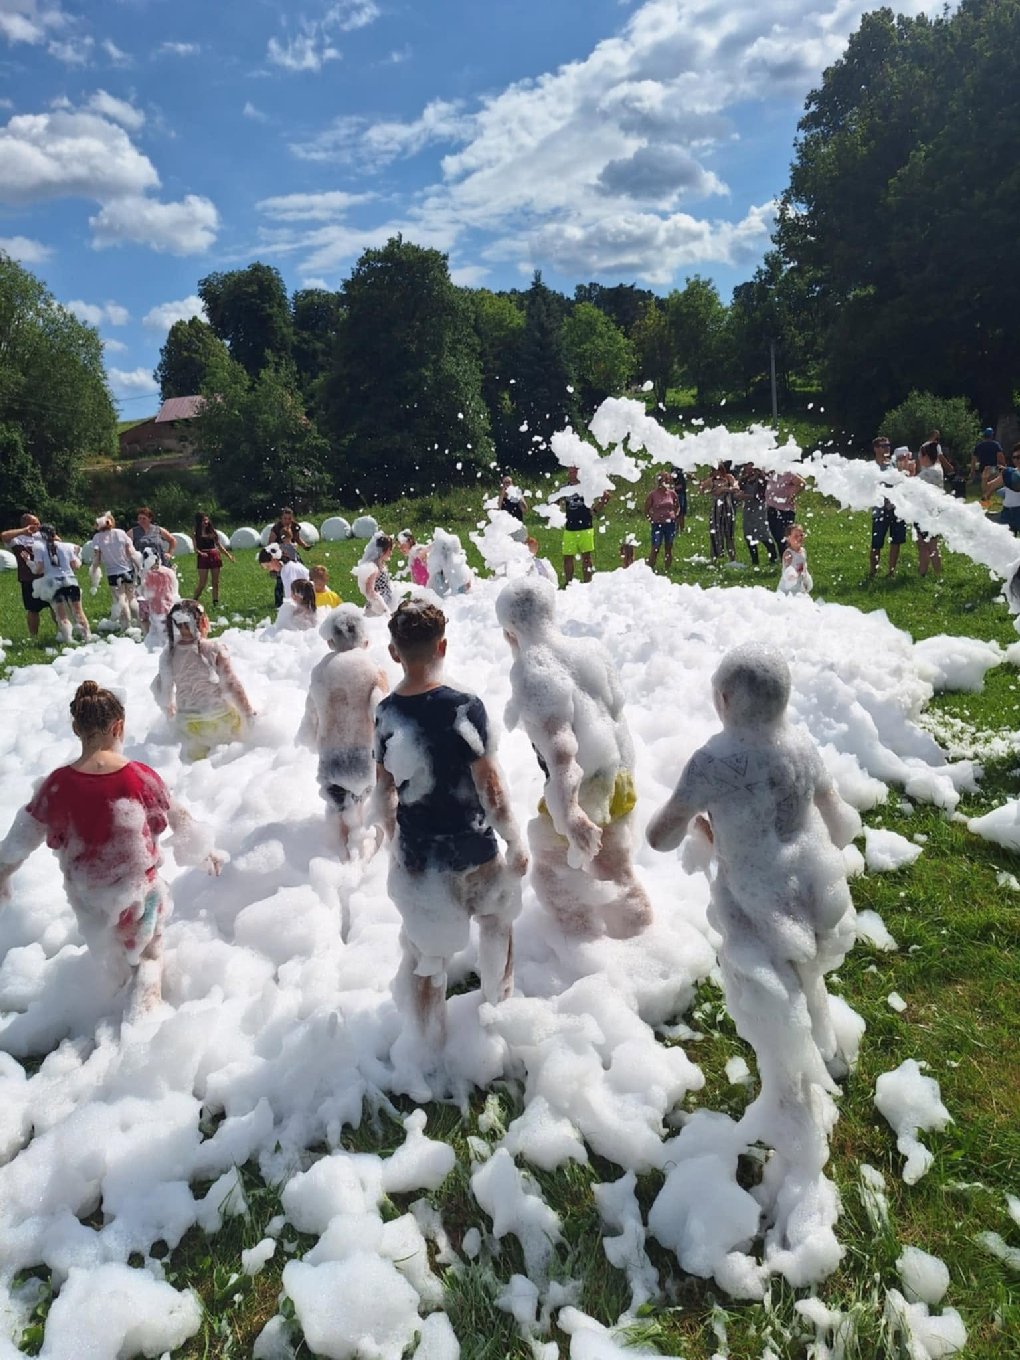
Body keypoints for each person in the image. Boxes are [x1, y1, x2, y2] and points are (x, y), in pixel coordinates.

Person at [646, 645, 861, 1251]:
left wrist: (702, 823)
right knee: (807, 981)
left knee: (775, 1019)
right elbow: (840, 826)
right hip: (811, 896)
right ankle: (828, 1059)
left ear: (725, 699)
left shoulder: (712, 761)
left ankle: (798, 1143)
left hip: (754, 910)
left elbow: (659, 837)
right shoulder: (802, 747)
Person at [0, 681, 222, 1021]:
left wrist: (4, 872)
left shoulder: (56, 784)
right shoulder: (139, 777)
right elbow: (180, 819)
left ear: (76, 728)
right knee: (149, 957)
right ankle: (141, 1028)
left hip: (88, 897)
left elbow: (23, 835)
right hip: (137, 894)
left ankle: (117, 989)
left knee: (115, 946)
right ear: (118, 727)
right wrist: (204, 852)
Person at [371, 600, 527, 1050]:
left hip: (421, 858)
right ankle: (499, 1012)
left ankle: (427, 1048)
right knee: (497, 921)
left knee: (428, 956)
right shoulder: (464, 707)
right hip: (474, 848)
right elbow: (491, 788)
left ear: (394, 652)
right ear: (442, 646)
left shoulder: (387, 713)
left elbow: (384, 791)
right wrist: (514, 840)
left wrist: (396, 844)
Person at [496, 576, 652, 940]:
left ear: (510, 628)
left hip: (582, 793)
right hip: (617, 778)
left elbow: (561, 747)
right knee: (615, 868)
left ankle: (581, 947)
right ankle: (642, 939)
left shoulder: (533, 671)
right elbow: (613, 717)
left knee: (552, 876)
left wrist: (571, 813)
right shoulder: (590, 650)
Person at [298, 605, 390, 861]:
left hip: (330, 757)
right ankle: (360, 854)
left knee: (338, 807)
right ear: (366, 641)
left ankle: (338, 856)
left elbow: (311, 713)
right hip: (362, 756)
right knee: (358, 807)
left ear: (329, 642)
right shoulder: (372, 670)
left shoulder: (320, 671)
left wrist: (309, 738)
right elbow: (381, 713)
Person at [152, 600, 256, 761]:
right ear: (203, 622)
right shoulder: (213, 649)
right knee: (229, 760)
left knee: (197, 764)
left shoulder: (169, 654)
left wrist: (172, 719)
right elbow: (231, 684)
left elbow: (164, 695)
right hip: (221, 719)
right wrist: (249, 714)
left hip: (189, 724)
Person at [32, 524, 90, 644]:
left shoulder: (38, 547)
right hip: (71, 581)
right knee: (78, 612)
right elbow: (75, 565)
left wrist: (28, 562)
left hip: (53, 584)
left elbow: (39, 569)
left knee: (61, 615)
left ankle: (68, 640)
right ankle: (87, 637)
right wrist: (76, 555)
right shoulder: (66, 546)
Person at [555, 465, 608, 585]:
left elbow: (606, 496)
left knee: (586, 557)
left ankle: (587, 582)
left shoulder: (587, 486)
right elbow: (555, 500)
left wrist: (594, 511)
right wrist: (555, 513)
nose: (571, 475)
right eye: (570, 472)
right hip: (570, 527)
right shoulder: (565, 487)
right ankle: (568, 583)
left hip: (585, 527)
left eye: (574, 472)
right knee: (567, 557)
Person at [1, 513, 50, 638]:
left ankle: (61, 632)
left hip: (47, 576)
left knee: (55, 605)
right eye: (36, 523)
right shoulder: (17, 539)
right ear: (27, 524)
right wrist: (24, 531)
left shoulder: (42, 537)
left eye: (39, 523)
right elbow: (4, 536)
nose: (39, 526)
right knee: (33, 609)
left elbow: (58, 541)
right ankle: (33, 636)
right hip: (28, 578)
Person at [90, 511, 141, 630]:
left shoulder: (97, 538)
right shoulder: (121, 533)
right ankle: (140, 622)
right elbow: (131, 553)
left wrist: (93, 572)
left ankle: (126, 626)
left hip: (113, 573)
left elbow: (97, 558)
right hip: (128, 570)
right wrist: (139, 568)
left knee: (120, 600)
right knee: (132, 598)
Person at [869, 437, 907, 577]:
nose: (887, 448)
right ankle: (873, 571)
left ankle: (891, 571)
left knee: (896, 541)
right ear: (876, 449)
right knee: (876, 543)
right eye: (883, 446)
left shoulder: (894, 464)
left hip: (896, 509)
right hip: (879, 510)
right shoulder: (871, 468)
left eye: (888, 445)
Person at [267, 508, 310, 607]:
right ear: (281, 518)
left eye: (289, 518)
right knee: (281, 578)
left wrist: (305, 546)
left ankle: (303, 596)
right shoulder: (276, 528)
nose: (287, 521)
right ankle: (279, 602)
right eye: (285, 518)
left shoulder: (294, 526)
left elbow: (297, 538)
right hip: (280, 555)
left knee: (301, 574)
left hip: (292, 554)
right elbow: (270, 544)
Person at [914, 443, 945, 576]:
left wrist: (907, 471)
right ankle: (925, 572)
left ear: (925, 456)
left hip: (926, 515)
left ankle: (934, 573)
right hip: (932, 513)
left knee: (928, 545)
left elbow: (910, 487)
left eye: (920, 454)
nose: (918, 457)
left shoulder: (928, 473)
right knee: (925, 544)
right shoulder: (937, 469)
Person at [737, 464, 777, 567]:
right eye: (747, 466)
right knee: (748, 533)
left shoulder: (762, 480)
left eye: (750, 466)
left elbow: (760, 496)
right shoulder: (744, 479)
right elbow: (738, 489)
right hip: (748, 510)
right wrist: (737, 493)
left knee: (763, 533)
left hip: (760, 509)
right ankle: (755, 561)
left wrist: (745, 496)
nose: (748, 468)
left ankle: (773, 558)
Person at [137, 546, 179, 644]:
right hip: (168, 604)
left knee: (151, 627)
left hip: (153, 606)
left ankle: (148, 640)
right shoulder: (168, 572)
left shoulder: (146, 574)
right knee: (167, 630)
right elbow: (174, 590)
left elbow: (143, 592)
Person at [699, 461, 739, 562]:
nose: (716, 473)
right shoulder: (711, 480)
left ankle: (732, 559)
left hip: (727, 508)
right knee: (715, 534)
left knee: (729, 535)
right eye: (714, 470)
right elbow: (701, 489)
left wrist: (724, 489)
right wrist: (710, 492)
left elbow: (736, 487)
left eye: (718, 470)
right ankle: (715, 558)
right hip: (716, 510)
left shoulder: (729, 478)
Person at [193, 512, 234, 607]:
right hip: (203, 557)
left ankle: (215, 602)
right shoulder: (195, 533)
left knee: (215, 582)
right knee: (202, 582)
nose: (206, 522)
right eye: (203, 520)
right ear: (199, 521)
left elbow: (219, 545)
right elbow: (196, 549)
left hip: (214, 555)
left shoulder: (212, 531)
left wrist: (228, 555)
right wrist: (201, 553)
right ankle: (194, 600)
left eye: (207, 520)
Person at [765, 467, 806, 558]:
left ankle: (793, 560)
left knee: (784, 539)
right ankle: (784, 560)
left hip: (784, 511)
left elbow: (802, 483)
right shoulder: (773, 475)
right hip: (772, 510)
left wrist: (792, 496)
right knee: (777, 538)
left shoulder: (787, 473)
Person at [644, 471, 680, 572]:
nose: (667, 481)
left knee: (669, 547)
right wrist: (651, 519)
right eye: (665, 479)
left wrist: (675, 515)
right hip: (657, 523)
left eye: (668, 479)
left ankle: (667, 569)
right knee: (656, 547)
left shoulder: (672, 493)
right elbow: (646, 509)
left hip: (670, 524)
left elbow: (677, 506)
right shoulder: (653, 494)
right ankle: (650, 568)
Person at [982, 442, 1020, 535]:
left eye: (1019, 457)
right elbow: (987, 489)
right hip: (1007, 513)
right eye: (1014, 457)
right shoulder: (1009, 473)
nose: (1017, 460)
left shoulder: (1009, 473)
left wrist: (1007, 472)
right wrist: (984, 478)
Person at [259, 545, 311, 611]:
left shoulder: (287, 570)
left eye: (268, 566)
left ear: (273, 559)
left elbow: (291, 596)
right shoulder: (288, 566)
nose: (269, 570)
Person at [354, 533, 396, 615]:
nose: (391, 553)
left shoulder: (382, 565)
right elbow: (370, 592)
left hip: (387, 602)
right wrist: (384, 608)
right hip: (378, 608)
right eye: (389, 550)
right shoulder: (374, 568)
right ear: (383, 551)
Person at [777, 524, 813, 596]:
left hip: (799, 586)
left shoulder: (803, 551)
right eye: (796, 536)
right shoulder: (788, 554)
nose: (799, 538)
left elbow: (804, 568)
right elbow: (787, 570)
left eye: (801, 535)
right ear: (788, 538)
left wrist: (806, 580)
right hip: (787, 590)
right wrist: (792, 576)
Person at [498, 476, 529, 542]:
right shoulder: (501, 496)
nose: (507, 484)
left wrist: (520, 500)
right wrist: (502, 495)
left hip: (517, 525)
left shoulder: (517, 493)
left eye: (509, 482)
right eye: (505, 483)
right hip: (506, 527)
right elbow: (498, 510)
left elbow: (525, 509)